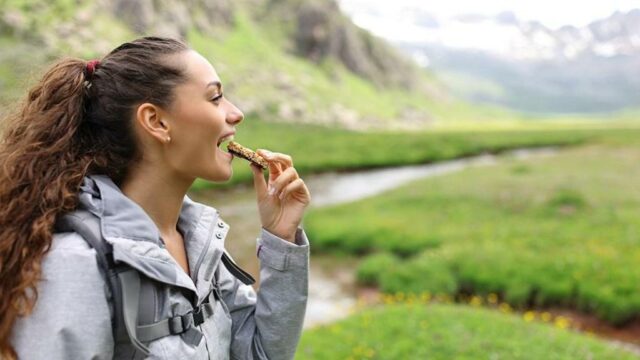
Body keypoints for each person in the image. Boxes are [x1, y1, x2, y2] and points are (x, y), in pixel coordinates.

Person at [0, 36, 311, 359]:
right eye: (215, 97)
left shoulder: (202, 247)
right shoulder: (76, 266)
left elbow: (260, 354)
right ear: (156, 122)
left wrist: (280, 236)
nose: (236, 113)